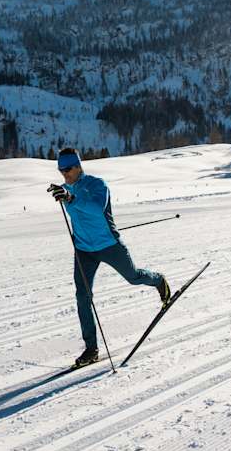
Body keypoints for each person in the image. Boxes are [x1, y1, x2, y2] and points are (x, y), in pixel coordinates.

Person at [48, 147, 170, 368]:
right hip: (84, 250)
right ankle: (91, 349)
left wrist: (71, 198)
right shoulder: (66, 190)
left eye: (67, 169)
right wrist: (66, 195)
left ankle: (158, 280)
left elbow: (95, 209)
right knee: (82, 296)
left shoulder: (97, 185)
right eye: (60, 170)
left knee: (133, 277)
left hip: (109, 245)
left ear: (78, 166)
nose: (64, 174)